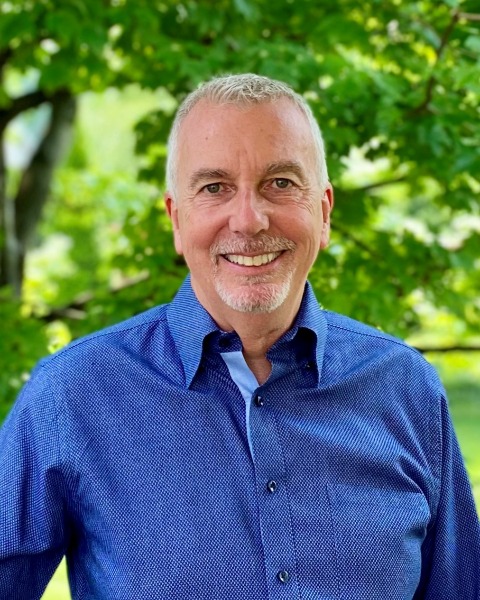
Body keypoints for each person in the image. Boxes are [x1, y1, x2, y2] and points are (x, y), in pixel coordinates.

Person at [0, 74, 478, 600]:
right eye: (214, 188)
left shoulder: (407, 390)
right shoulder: (71, 396)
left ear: (323, 213)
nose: (249, 220)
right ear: (176, 220)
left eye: (281, 183)